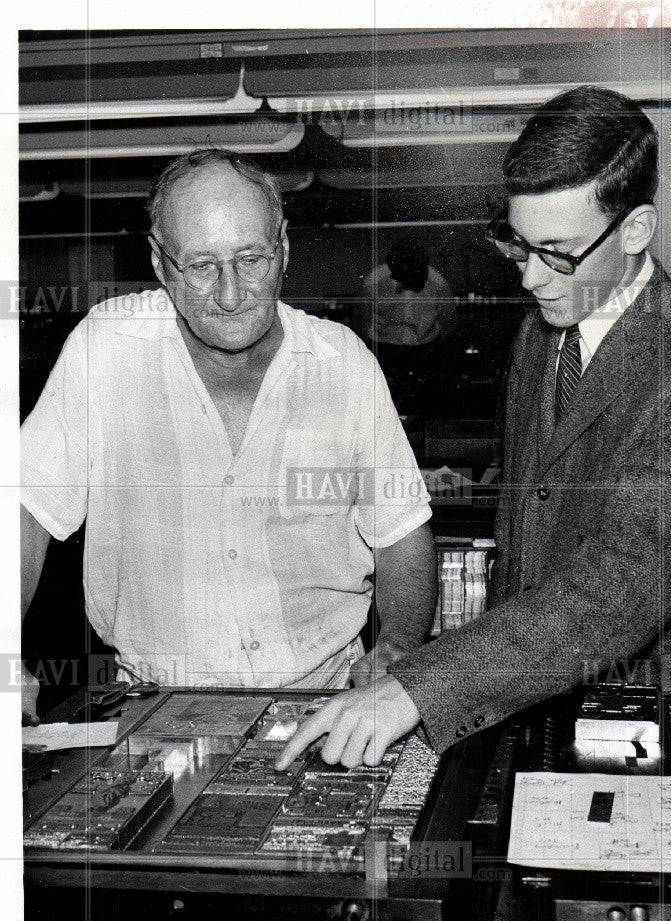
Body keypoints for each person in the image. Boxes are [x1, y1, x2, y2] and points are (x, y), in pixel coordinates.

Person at [276, 85, 671, 771]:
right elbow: (525, 538)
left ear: (637, 230)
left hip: (667, 729)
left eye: (556, 252)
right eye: (517, 245)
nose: (527, 278)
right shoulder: (541, 333)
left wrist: (424, 687)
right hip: (541, 700)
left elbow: (619, 587)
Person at [20, 148, 436, 724]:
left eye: (251, 259)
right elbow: (25, 511)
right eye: (202, 266)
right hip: (154, 705)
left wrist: (398, 648)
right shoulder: (106, 349)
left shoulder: (342, 363)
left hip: (325, 698)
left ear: (283, 248)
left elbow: (401, 534)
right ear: (161, 263)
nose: (232, 293)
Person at [356, 236, 457, 351]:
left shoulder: (438, 284)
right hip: (384, 347)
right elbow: (361, 322)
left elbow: (449, 322)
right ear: (392, 268)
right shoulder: (373, 283)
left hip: (426, 347)